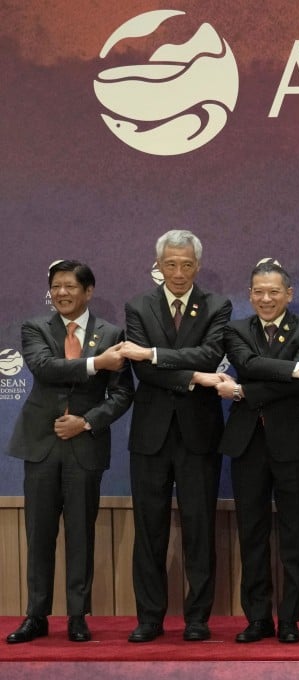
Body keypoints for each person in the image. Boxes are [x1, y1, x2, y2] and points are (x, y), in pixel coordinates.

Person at [5, 260, 134, 644]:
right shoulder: (34, 328)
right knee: (39, 535)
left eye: (70, 286)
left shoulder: (112, 333)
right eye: (56, 286)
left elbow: (123, 393)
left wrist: (87, 421)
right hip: (41, 447)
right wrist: (97, 362)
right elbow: (45, 368)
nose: (62, 293)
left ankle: (78, 616)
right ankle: (36, 616)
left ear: (88, 291)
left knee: (81, 533)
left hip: (84, 446)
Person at [120, 229, 232, 643]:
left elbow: (209, 354)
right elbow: (143, 373)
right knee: (149, 530)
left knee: (200, 527)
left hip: (198, 434)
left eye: (187, 264)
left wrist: (152, 353)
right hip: (150, 436)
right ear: (159, 265)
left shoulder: (218, 305)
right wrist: (193, 376)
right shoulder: (138, 306)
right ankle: (149, 618)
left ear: (197, 266)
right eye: (171, 264)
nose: (179, 272)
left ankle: (197, 618)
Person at [215, 261, 299, 644]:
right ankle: (257, 618)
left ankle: (290, 619)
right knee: (252, 533)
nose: (266, 298)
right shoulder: (235, 329)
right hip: (248, 443)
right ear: (250, 294)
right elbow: (246, 363)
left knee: (296, 533)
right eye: (258, 292)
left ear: (289, 295)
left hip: (294, 443)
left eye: (274, 292)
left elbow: (293, 388)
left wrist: (244, 391)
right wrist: (295, 369)